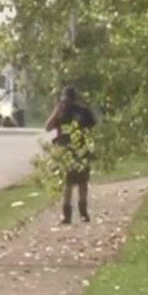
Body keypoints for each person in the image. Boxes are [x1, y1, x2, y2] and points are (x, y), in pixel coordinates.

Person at [45, 85, 97, 224]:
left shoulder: (83, 112)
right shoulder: (60, 113)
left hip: (80, 149)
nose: (66, 102)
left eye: (68, 99)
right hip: (64, 150)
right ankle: (66, 214)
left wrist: (90, 147)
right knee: (67, 183)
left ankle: (83, 212)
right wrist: (56, 111)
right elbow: (48, 127)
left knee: (82, 182)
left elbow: (92, 128)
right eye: (64, 99)